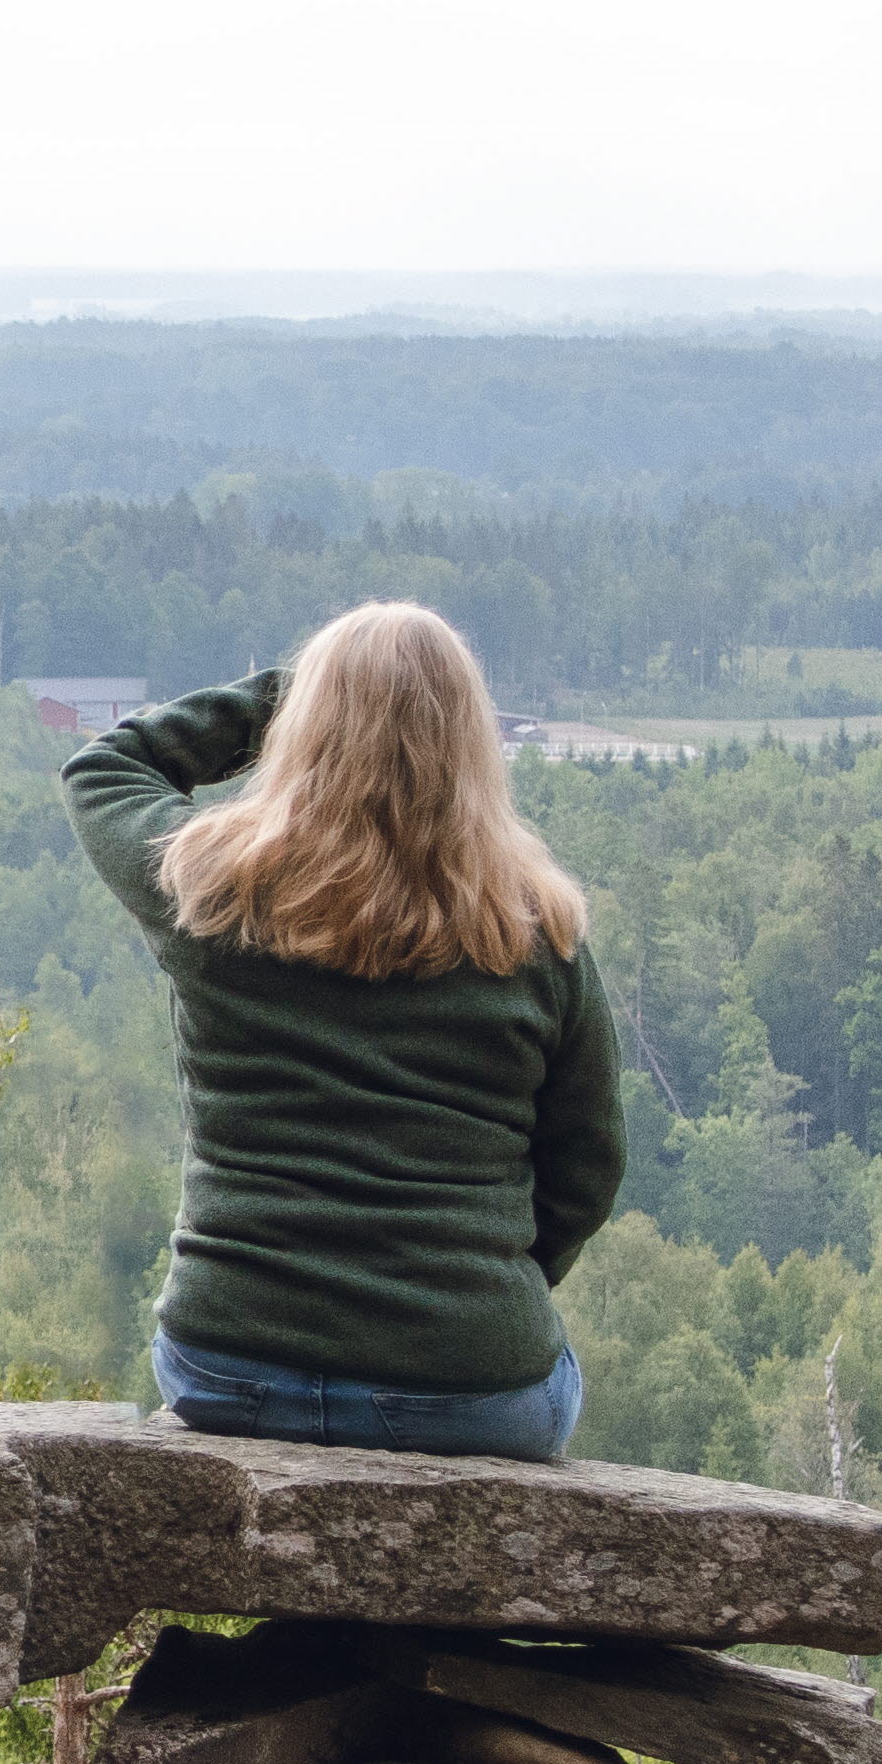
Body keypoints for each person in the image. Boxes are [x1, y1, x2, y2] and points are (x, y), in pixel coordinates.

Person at [66, 601, 624, 1460]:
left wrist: (287, 697)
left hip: (229, 1366)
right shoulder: (535, 934)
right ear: (471, 745)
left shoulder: (212, 893)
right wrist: (481, 1288)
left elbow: (106, 765)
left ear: (302, 727)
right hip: (469, 1389)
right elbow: (586, 1164)